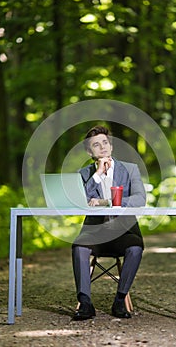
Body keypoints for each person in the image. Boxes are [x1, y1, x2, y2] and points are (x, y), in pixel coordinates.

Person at [72, 125, 146, 320]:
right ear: (90, 152)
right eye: (96, 145)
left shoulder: (130, 169)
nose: (103, 147)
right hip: (95, 232)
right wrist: (97, 174)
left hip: (124, 231)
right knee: (79, 246)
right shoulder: (84, 174)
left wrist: (108, 202)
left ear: (111, 146)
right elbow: (80, 202)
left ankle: (120, 300)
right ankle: (85, 303)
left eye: (105, 142)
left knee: (136, 247)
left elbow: (140, 199)